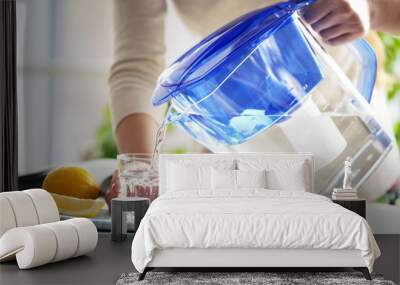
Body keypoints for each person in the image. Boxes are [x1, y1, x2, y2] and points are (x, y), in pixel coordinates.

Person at [106, 0, 400, 206]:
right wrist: (142, 168)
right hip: (240, 171)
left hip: (356, 151)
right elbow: (138, 66)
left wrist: (372, 8)